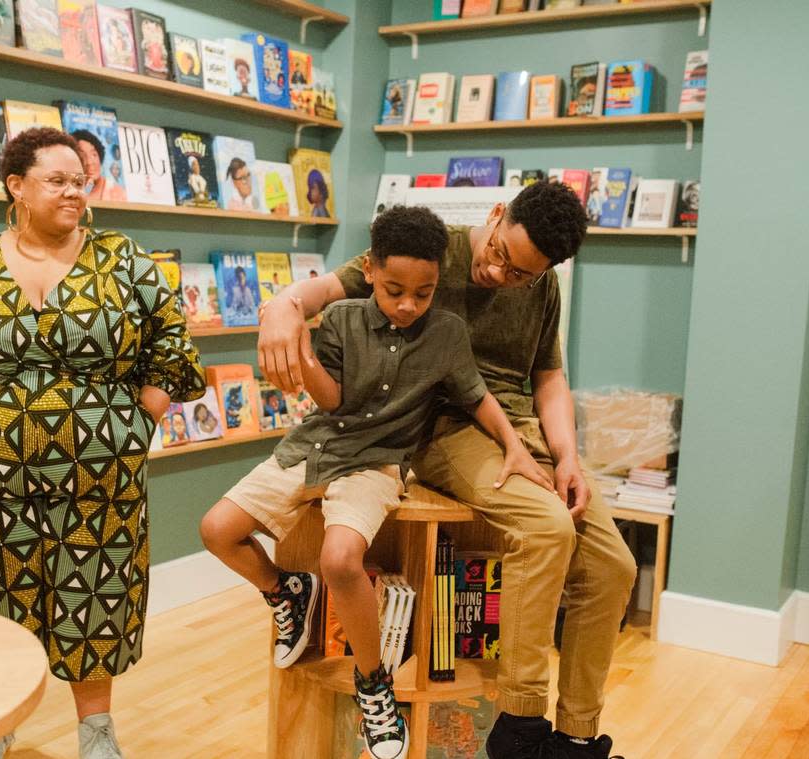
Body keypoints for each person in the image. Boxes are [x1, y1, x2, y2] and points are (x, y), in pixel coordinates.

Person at [256, 182, 637, 759]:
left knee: (613, 566)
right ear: (496, 215)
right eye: (501, 254)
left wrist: (568, 457)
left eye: (520, 274)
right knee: (546, 528)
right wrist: (281, 308)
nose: (500, 273)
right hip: (447, 426)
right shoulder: (432, 254)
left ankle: (577, 736)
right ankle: (522, 725)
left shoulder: (543, 285)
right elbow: (326, 289)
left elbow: (548, 378)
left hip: (521, 431)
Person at [200, 206, 553, 759]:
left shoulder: (447, 334)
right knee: (217, 529)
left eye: (424, 292)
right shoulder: (341, 319)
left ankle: (375, 684)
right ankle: (285, 591)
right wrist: (303, 351)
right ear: (369, 271)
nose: (409, 304)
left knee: (340, 559)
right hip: (315, 446)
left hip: (377, 461)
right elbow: (332, 401)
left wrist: (514, 446)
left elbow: (476, 396)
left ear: (439, 282)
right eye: (394, 290)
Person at [0, 127, 205, 759]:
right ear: (16, 186)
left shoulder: (122, 258)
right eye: (56, 180)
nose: (73, 192)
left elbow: (172, 349)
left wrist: (134, 425)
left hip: (102, 477)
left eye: (80, 181)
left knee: (94, 591)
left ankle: (96, 733)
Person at [70, 129, 127, 202]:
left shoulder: (118, 194)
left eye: (94, 155)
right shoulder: (70, 192)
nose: (89, 162)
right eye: (83, 156)